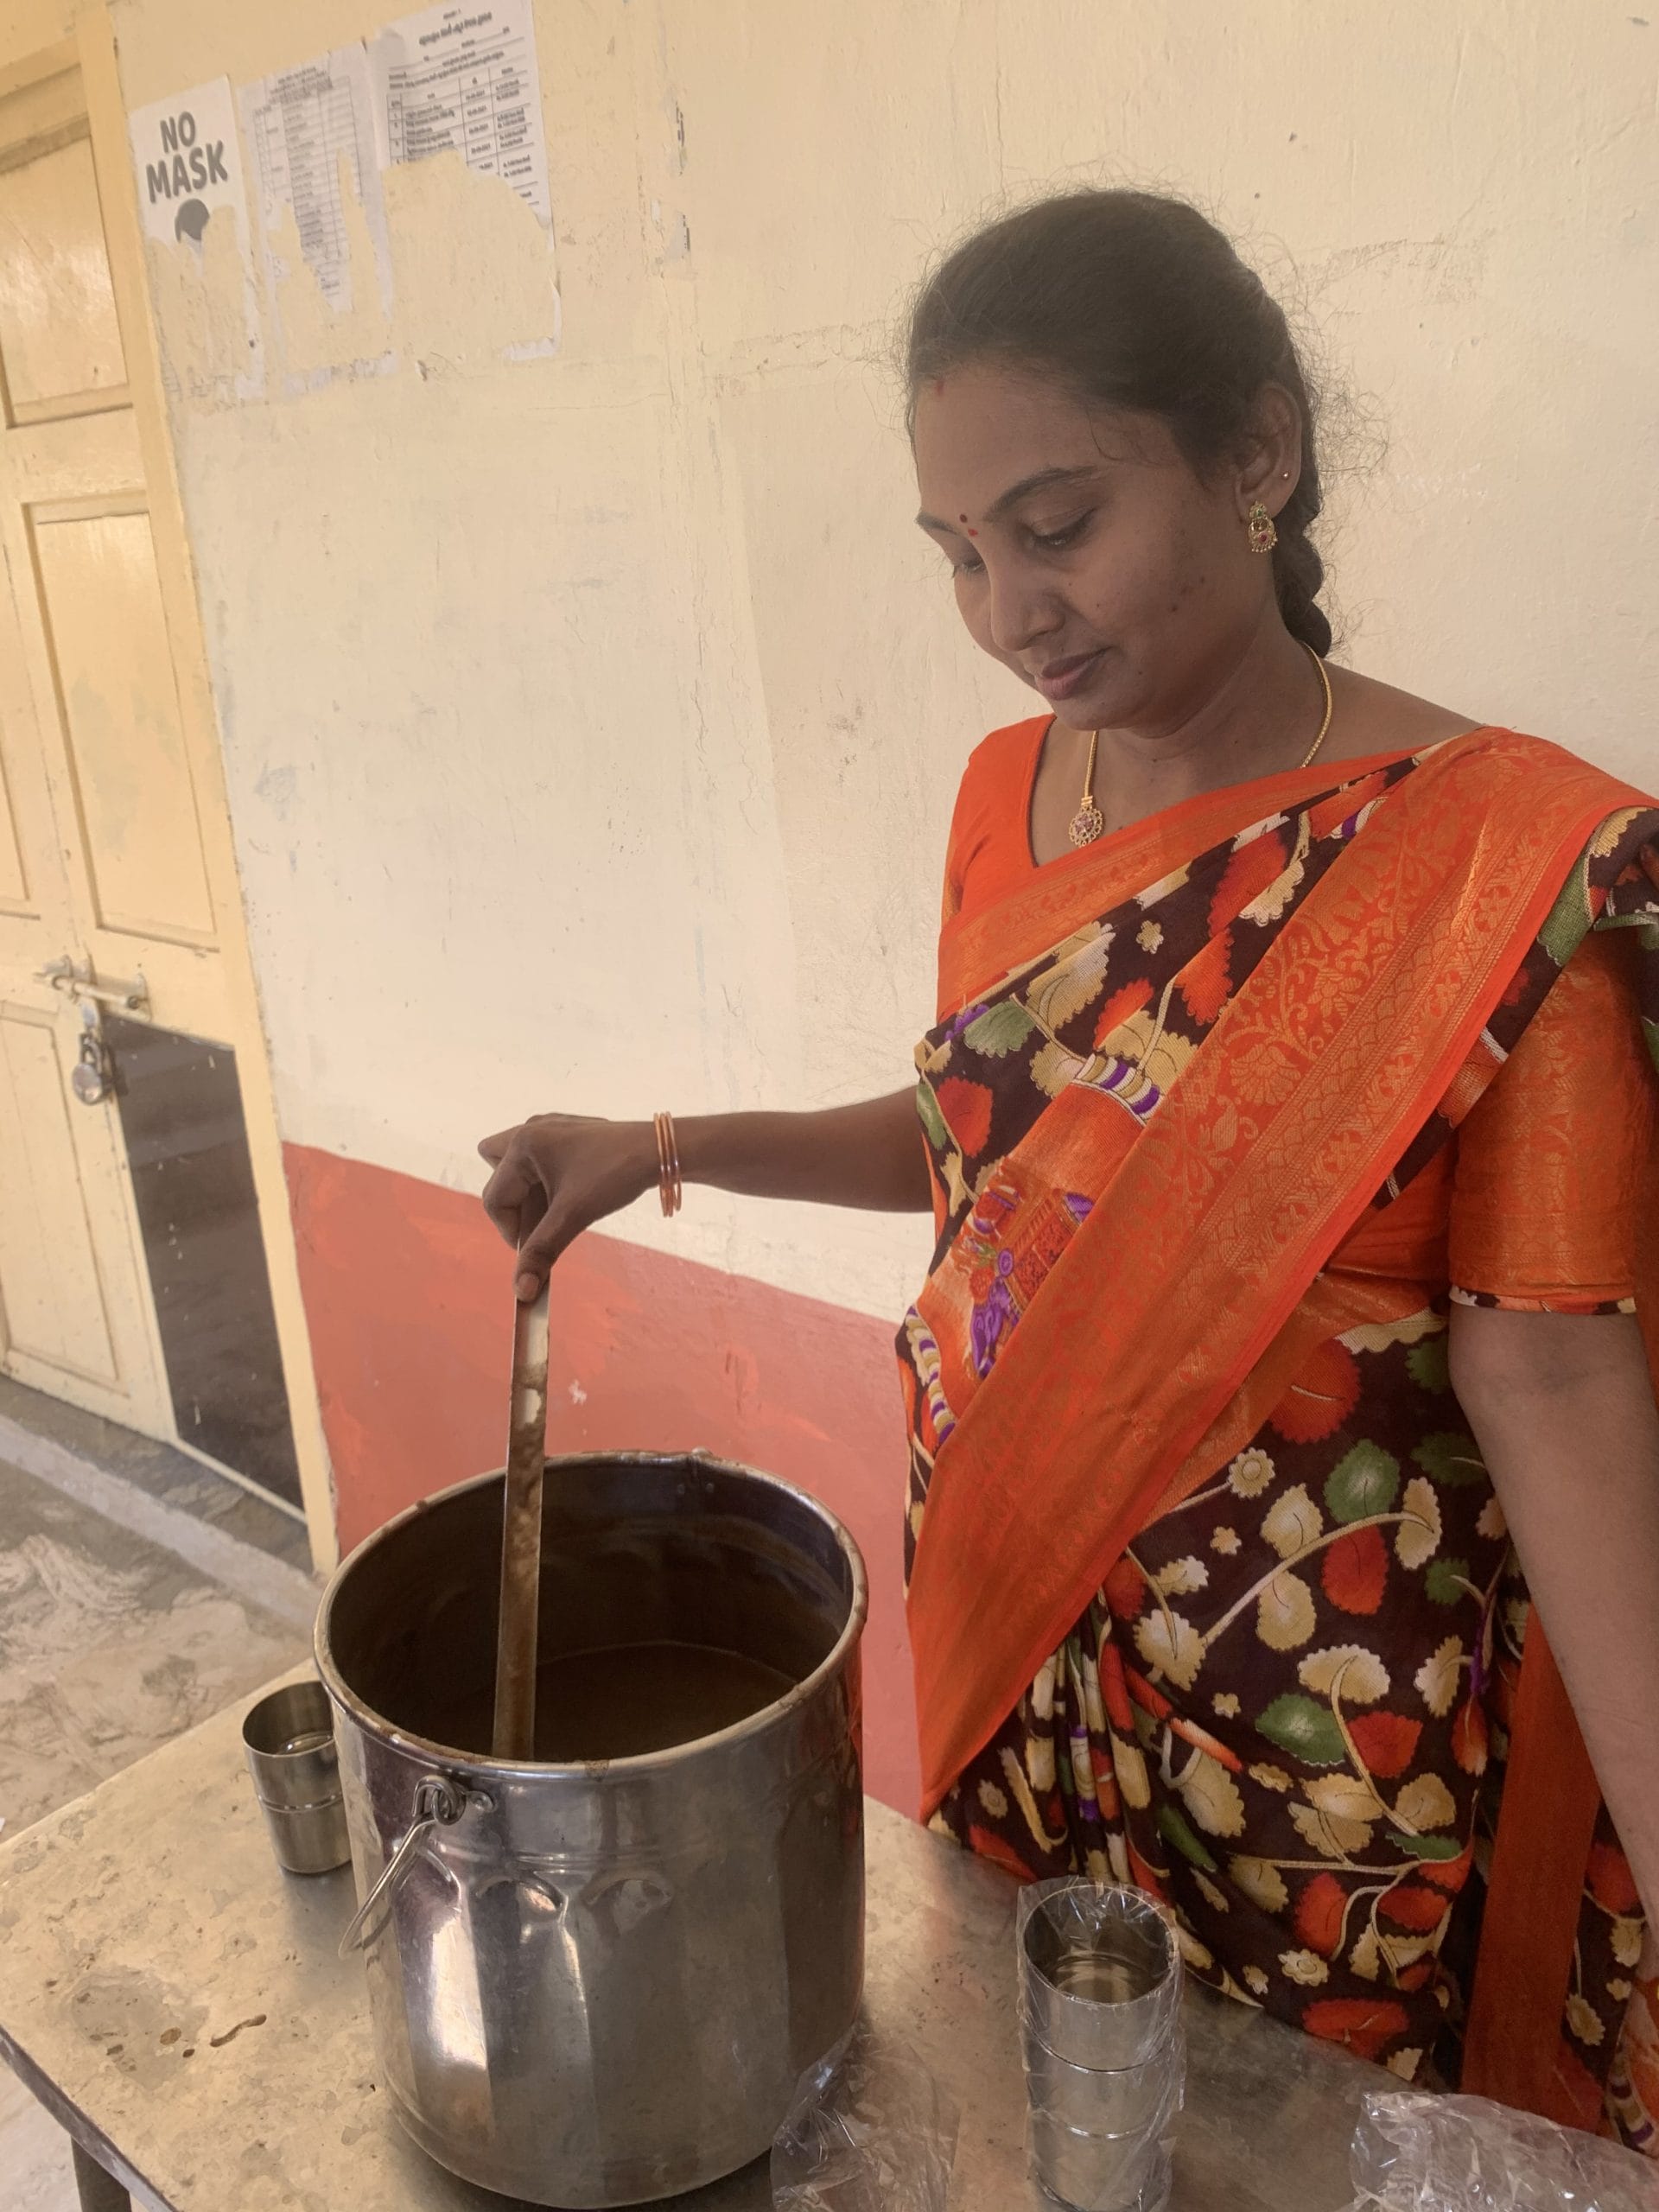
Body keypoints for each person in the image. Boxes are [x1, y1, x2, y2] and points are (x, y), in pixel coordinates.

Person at [480, 189, 1659, 2146]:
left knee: (1297, 2158)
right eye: (959, 556)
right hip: (1025, 1675)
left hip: (1321, 1760)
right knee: (1055, 2133)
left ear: (1256, 454)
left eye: (1057, 524)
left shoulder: (1494, 874)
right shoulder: (1001, 804)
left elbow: (1557, 1376)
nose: (1011, 612)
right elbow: (983, 1156)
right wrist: (663, 1143)